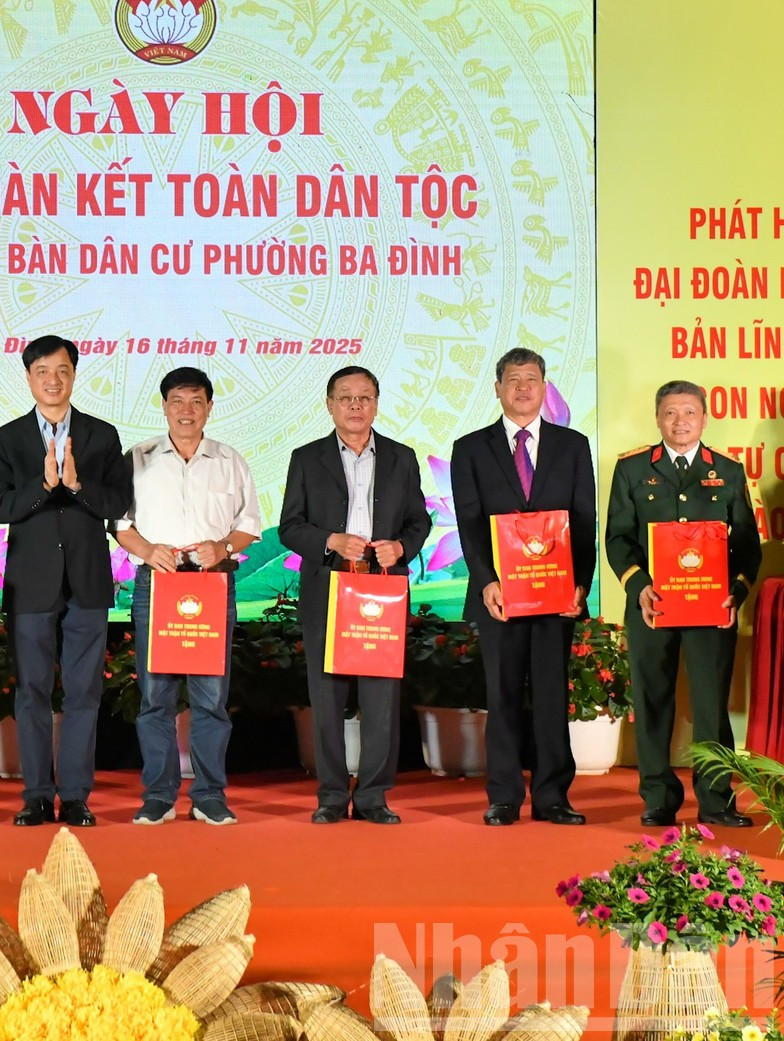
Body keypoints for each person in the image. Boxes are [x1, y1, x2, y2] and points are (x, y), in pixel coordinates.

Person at [0, 336, 132, 828]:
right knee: (32, 692)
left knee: (85, 693)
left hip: (87, 581)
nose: (53, 379)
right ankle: (36, 796)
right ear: (28, 377)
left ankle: (76, 795)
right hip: (32, 584)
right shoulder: (7, 439)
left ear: (74, 375)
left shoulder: (101, 435)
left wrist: (78, 485)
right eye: (43, 371)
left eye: (62, 370)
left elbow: (116, 505)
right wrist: (44, 485)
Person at [449, 349, 597, 827]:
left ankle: (554, 796)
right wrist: (487, 581)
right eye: (513, 380)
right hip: (501, 600)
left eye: (531, 379)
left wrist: (581, 584)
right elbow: (468, 522)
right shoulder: (470, 448)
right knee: (504, 694)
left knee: (553, 695)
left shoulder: (572, 446)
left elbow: (584, 522)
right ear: (497, 388)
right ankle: (505, 796)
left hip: (557, 598)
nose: (522, 388)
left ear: (544, 386)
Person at [606, 379, 764, 828]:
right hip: (651, 609)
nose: (680, 421)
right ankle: (657, 798)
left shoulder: (728, 472)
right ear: (658, 418)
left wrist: (734, 591)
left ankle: (716, 800)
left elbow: (747, 546)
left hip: (712, 612)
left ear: (704, 417)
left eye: (689, 412)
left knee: (711, 705)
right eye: (671, 412)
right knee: (653, 700)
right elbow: (618, 538)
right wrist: (639, 587)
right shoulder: (634, 469)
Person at [279, 365, 432, 826]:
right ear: (329, 405)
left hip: (380, 590)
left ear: (377, 404)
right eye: (345, 398)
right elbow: (290, 526)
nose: (355, 406)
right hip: (328, 588)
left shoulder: (402, 458)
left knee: (381, 698)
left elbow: (419, 521)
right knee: (326, 698)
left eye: (364, 398)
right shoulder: (306, 458)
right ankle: (329, 795)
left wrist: (401, 547)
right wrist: (330, 540)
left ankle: (373, 796)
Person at [112, 367, 261, 827]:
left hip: (212, 583)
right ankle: (158, 795)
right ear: (163, 406)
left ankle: (209, 795)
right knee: (156, 698)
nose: (186, 411)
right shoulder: (137, 457)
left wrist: (224, 547)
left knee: (210, 699)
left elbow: (249, 524)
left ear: (210, 408)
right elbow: (120, 524)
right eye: (177, 401)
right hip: (157, 585)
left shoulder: (229, 459)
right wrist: (148, 550)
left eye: (196, 401)